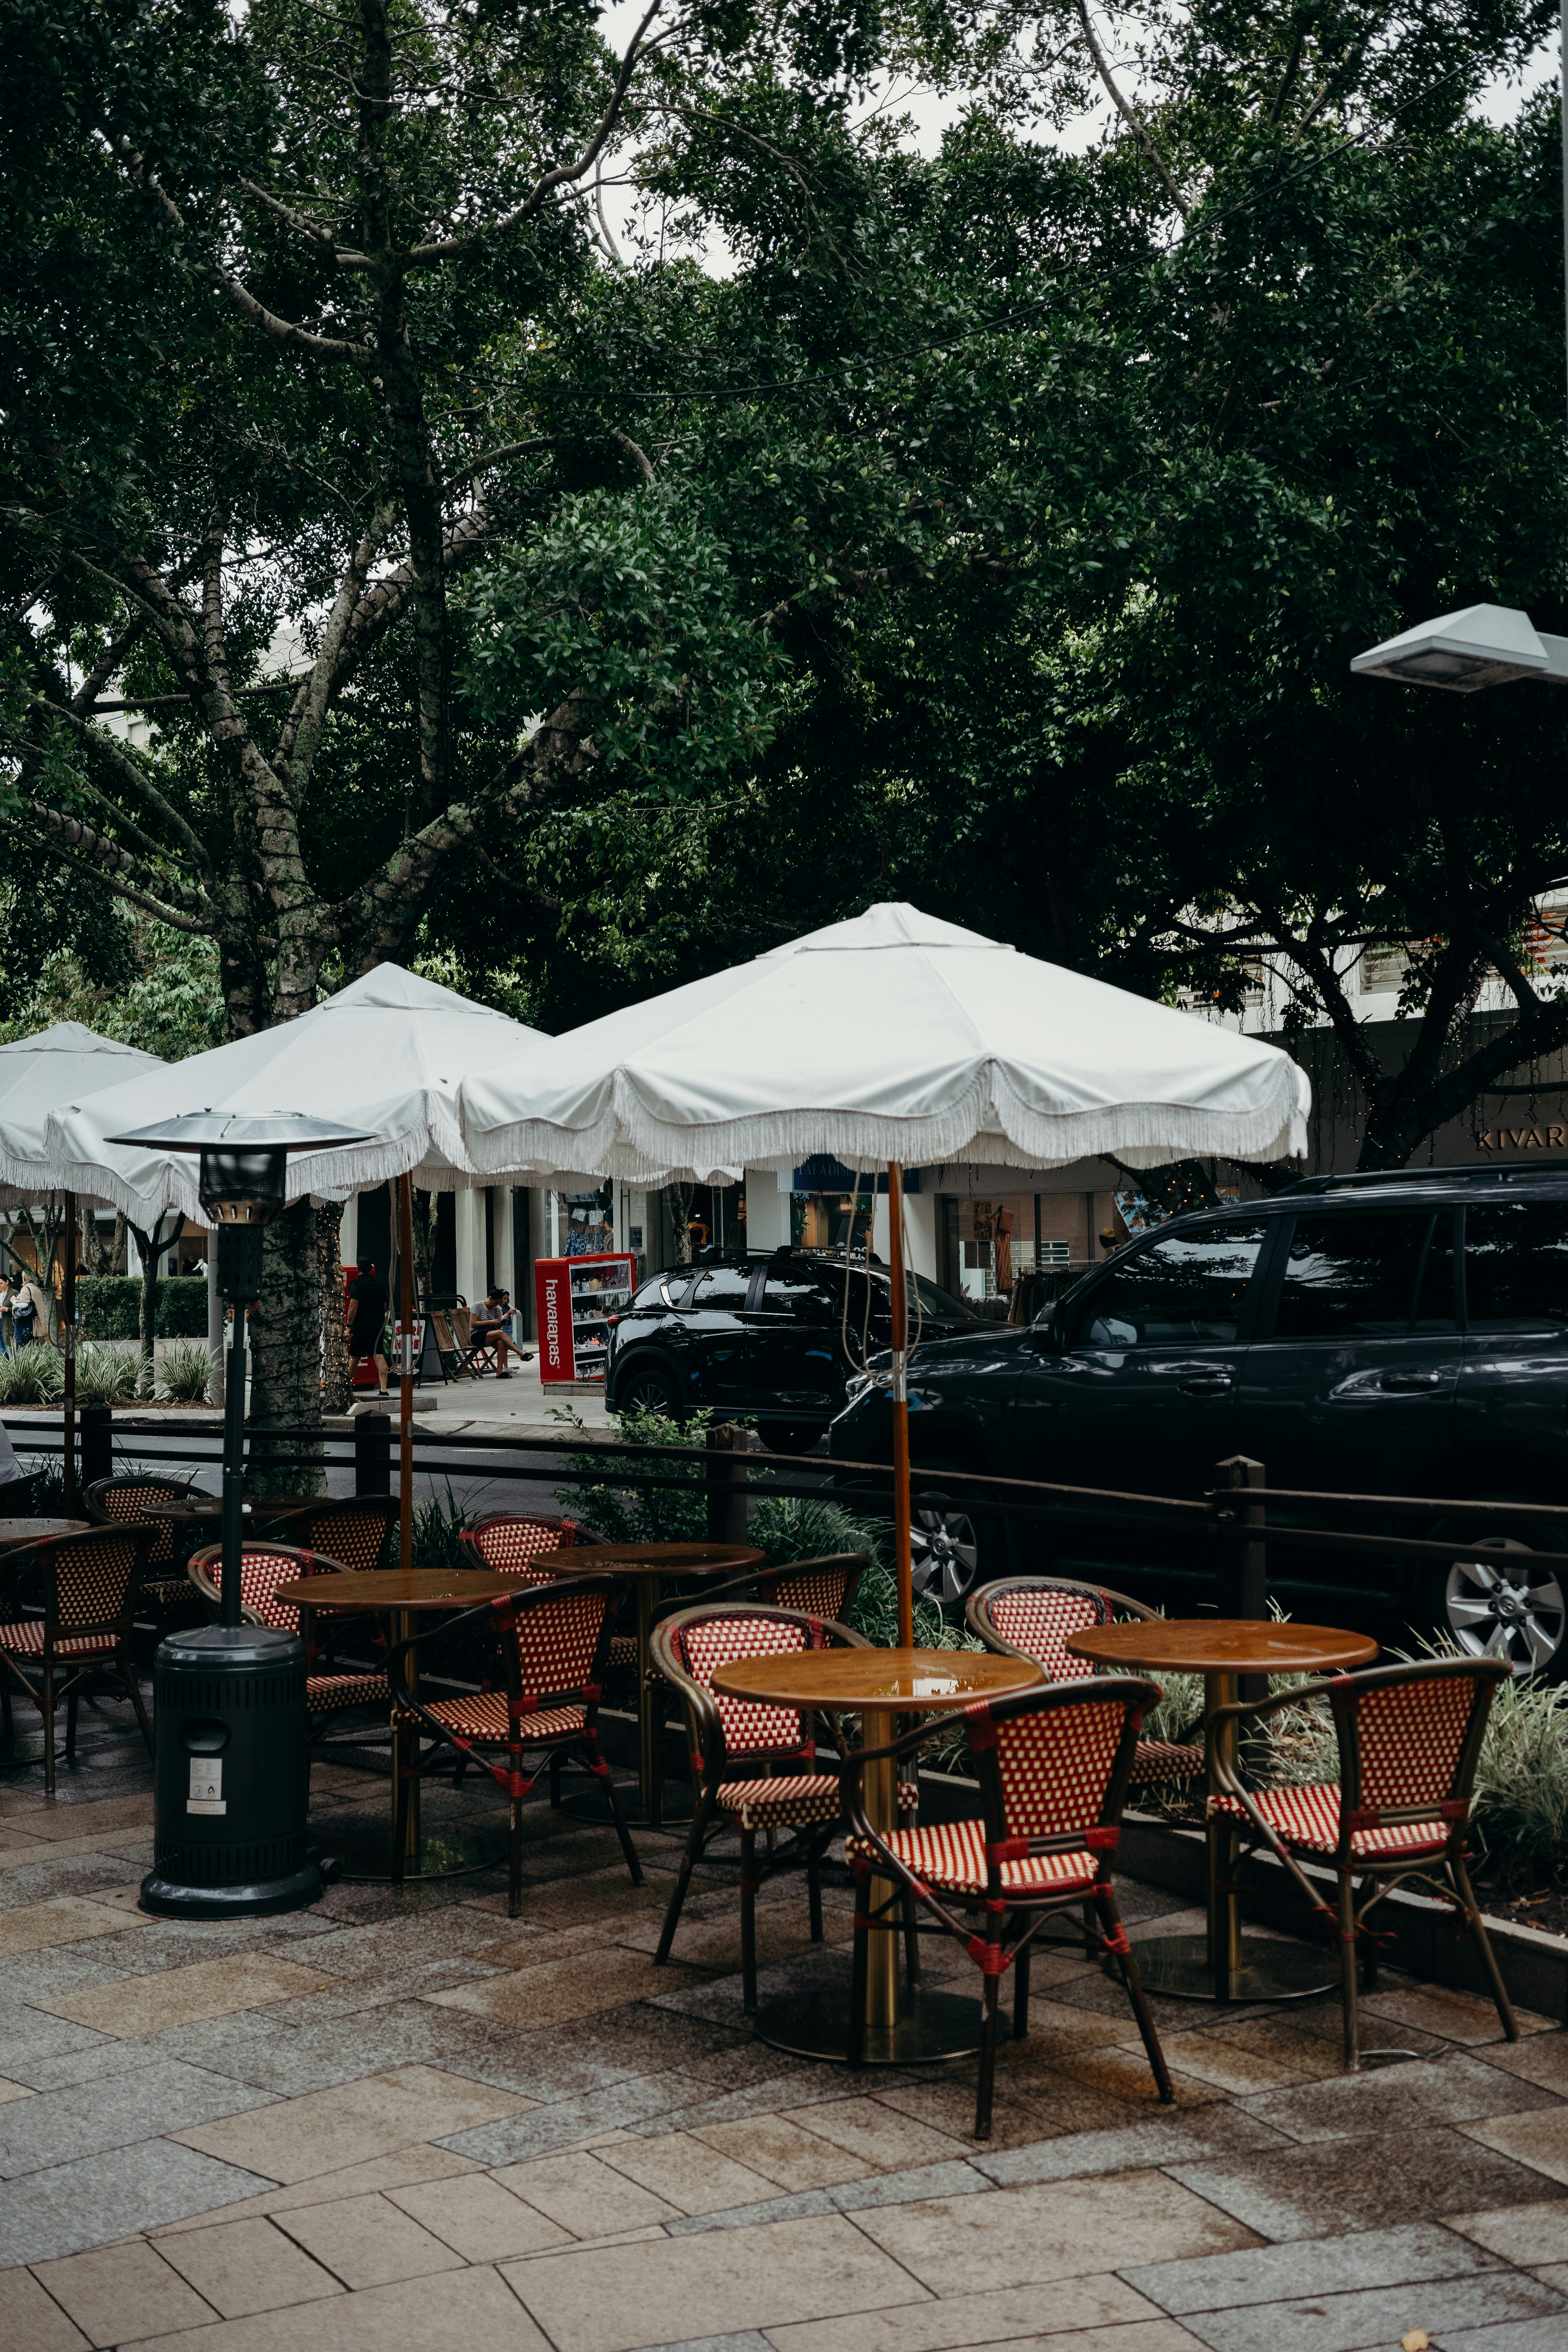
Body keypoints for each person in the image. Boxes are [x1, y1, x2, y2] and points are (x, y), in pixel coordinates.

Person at [345, 1257, 389, 1397]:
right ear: (371, 1268)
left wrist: (349, 1326)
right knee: (379, 1355)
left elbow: (353, 1306)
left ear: (358, 1269)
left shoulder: (356, 1284)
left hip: (361, 1326)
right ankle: (383, 1390)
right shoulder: (381, 1285)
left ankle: (348, 1389)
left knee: (355, 1358)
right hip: (377, 1326)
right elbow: (384, 1307)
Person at [470, 1285, 527, 1378]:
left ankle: (500, 1372)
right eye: (496, 1303)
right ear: (490, 1298)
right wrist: (490, 1322)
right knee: (500, 1334)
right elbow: (474, 1323)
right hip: (477, 1335)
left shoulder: (497, 1309)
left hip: (491, 1335)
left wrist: (501, 1323)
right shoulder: (478, 1305)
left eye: (498, 1304)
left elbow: (498, 1328)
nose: (497, 1306)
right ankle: (520, 1353)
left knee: (501, 1343)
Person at [10, 1271, 49, 1350]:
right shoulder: (37, 1288)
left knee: (20, 1347)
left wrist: (14, 1301)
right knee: (32, 1347)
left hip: (25, 1321)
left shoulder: (26, 1288)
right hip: (36, 1322)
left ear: (24, 1277)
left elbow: (25, 1304)